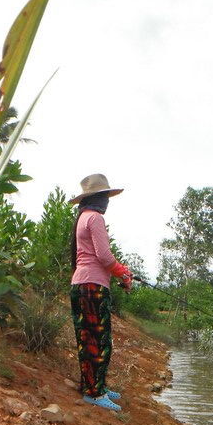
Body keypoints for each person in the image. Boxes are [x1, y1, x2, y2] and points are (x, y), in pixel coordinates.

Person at [69, 173, 132, 411]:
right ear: (97, 198)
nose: (107, 201)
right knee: (99, 339)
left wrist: (120, 272)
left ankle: (96, 387)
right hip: (93, 286)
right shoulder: (94, 218)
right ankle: (94, 393)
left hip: (80, 285)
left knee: (87, 338)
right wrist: (124, 274)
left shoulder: (82, 218)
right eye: (105, 196)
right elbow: (104, 257)